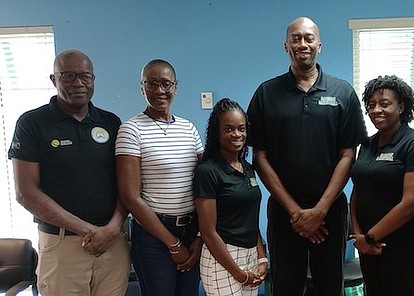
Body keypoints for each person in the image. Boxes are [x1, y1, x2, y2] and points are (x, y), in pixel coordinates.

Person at [246, 16, 367, 296]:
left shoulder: (342, 92)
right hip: (285, 214)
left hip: (331, 213)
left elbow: (348, 155)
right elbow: (260, 159)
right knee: (286, 287)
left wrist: (319, 211)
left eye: (308, 38)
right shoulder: (267, 93)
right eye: (296, 38)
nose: (303, 44)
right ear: (285, 46)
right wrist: (297, 214)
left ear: (319, 45)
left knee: (329, 287)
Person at [8, 49, 130, 295]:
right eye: (68, 76)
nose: (78, 83)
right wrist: (86, 230)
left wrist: (114, 227)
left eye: (85, 77)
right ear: (54, 79)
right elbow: (26, 193)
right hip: (62, 245)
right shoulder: (32, 123)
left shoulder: (111, 123)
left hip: (112, 243)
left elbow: (126, 184)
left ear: (93, 80)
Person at [116, 59, 204, 296]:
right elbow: (130, 197)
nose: (159, 91)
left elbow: (206, 185)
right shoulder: (131, 130)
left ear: (176, 86)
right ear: (141, 87)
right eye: (151, 84)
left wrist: (198, 236)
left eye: (166, 84)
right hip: (153, 234)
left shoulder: (189, 128)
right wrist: (172, 244)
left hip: (192, 228)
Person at [349, 75, 414, 296]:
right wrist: (358, 235)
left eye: (385, 104)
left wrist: (370, 237)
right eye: (371, 105)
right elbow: (358, 190)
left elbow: (411, 203)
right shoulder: (366, 144)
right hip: (368, 244)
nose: (377, 110)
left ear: (401, 107)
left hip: (406, 245)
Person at [194, 98, 268, 296]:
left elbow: (251, 220)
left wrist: (262, 259)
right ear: (217, 133)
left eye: (241, 129)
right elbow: (207, 232)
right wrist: (238, 273)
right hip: (222, 258)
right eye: (228, 129)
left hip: (251, 254)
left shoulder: (248, 168)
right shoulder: (208, 171)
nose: (237, 134)